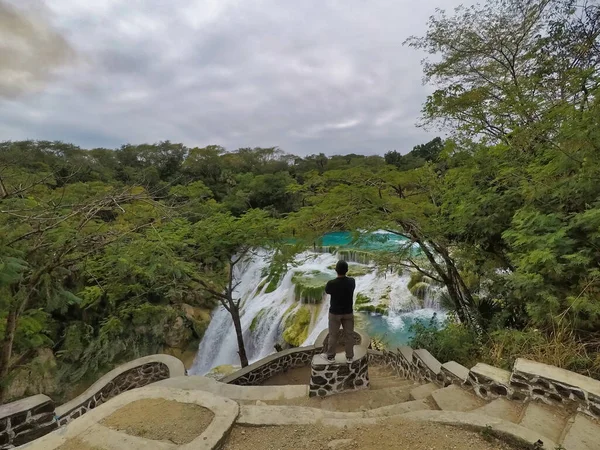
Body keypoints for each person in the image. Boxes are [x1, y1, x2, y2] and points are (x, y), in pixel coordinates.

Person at [322, 260, 356, 363]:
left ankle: (331, 357)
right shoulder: (352, 281)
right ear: (347, 270)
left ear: (336, 271)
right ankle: (349, 357)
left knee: (333, 335)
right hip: (348, 313)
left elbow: (327, 291)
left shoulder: (331, 283)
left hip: (335, 313)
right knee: (349, 335)